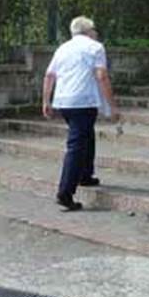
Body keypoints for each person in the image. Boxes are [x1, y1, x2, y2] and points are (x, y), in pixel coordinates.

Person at [41, 16, 120, 211]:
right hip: (83, 101)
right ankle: (65, 193)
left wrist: (46, 101)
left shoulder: (63, 48)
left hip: (64, 101)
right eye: (95, 30)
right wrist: (112, 106)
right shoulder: (95, 47)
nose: (96, 33)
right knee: (76, 144)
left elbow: (49, 75)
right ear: (89, 31)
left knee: (86, 134)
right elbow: (101, 76)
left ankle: (85, 174)